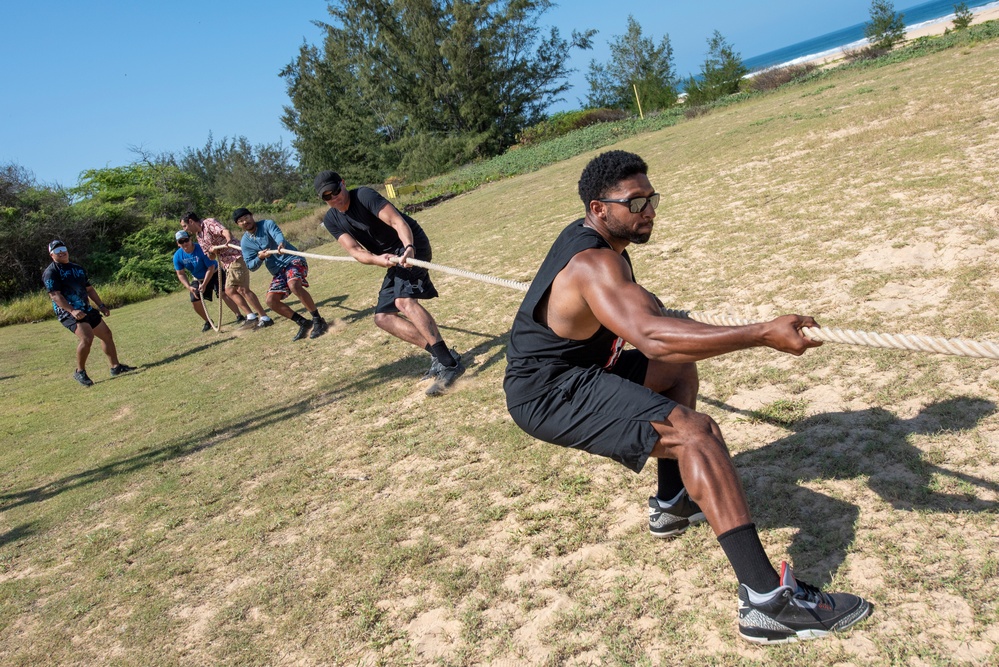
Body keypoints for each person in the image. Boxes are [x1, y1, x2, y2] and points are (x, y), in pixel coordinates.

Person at [503, 151, 871, 644]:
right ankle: (767, 604)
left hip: (586, 368)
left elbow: (655, 328)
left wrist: (677, 318)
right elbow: (652, 337)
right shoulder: (593, 264)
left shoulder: (606, 246)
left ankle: (673, 501)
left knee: (677, 370)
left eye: (652, 198)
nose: (649, 209)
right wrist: (761, 333)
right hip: (550, 393)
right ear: (599, 209)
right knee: (696, 435)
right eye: (636, 202)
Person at [314, 170, 464, 396]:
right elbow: (354, 251)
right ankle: (440, 355)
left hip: (412, 246)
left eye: (335, 191)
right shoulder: (331, 219)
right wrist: (376, 259)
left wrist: (409, 248)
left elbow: (397, 221)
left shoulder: (364, 195)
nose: (334, 198)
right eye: (327, 197)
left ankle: (450, 365)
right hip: (390, 258)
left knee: (404, 301)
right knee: (383, 318)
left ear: (343, 183)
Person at [42, 239, 136, 386]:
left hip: (85, 308)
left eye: (63, 249)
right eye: (57, 251)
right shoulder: (51, 272)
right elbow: (55, 295)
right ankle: (80, 372)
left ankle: (116, 367)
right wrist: (72, 310)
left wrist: (101, 305)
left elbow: (89, 289)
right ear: (51, 254)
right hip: (67, 312)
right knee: (87, 338)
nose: (62, 253)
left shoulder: (77, 268)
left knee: (106, 335)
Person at [234, 207, 328, 341]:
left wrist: (280, 244)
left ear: (251, 216)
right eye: (240, 221)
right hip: (278, 271)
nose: (245, 222)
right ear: (238, 225)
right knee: (270, 301)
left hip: (292, 260)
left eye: (246, 218)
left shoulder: (267, 224)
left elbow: (277, 234)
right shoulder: (245, 242)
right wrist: (260, 257)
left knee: (294, 284)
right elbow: (250, 265)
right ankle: (304, 323)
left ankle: (318, 320)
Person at [180, 212, 271, 329]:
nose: (185, 229)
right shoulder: (199, 236)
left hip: (236, 257)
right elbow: (211, 257)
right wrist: (213, 251)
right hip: (227, 263)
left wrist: (228, 241)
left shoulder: (208, 223)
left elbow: (225, 231)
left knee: (236, 289)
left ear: (191, 222)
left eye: (184, 226)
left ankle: (262, 317)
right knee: (234, 290)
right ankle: (253, 317)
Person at [173, 230, 240, 332]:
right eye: (181, 242)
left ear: (190, 239)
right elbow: (180, 274)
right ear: (178, 244)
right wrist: (189, 287)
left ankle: (239, 315)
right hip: (198, 278)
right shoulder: (177, 256)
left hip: (214, 273)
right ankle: (208, 321)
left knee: (223, 293)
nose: (184, 243)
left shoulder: (200, 248)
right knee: (194, 300)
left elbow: (211, 267)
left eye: (186, 240)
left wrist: (204, 284)